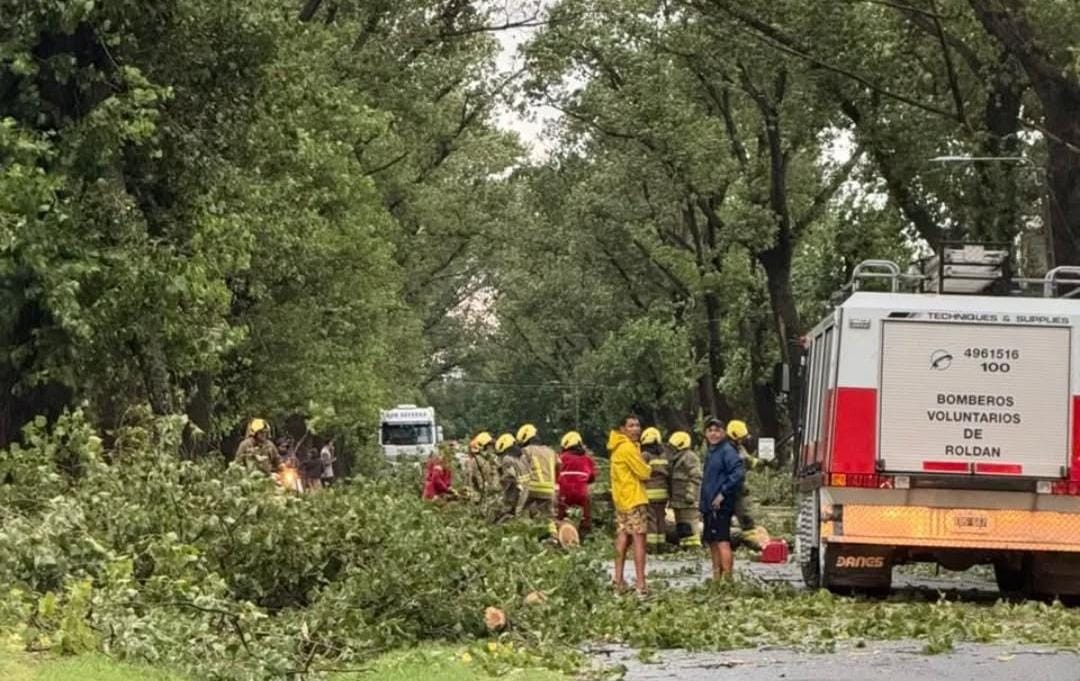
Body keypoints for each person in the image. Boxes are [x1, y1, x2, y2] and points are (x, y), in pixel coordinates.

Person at [608, 413, 652, 596]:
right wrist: (648, 464)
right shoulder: (627, 448)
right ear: (622, 429)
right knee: (639, 540)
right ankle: (641, 583)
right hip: (634, 499)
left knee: (622, 539)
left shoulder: (616, 447)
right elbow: (644, 473)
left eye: (637, 425)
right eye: (631, 426)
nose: (636, 429)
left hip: (621, 501)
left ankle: (618, 580)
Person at [700, 417, 745, 581]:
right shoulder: (711, 452)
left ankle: (728, 578)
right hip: (709, 504)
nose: (713, 434)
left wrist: (722, 493)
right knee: (712, 541)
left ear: (724, 433)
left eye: (717, 430)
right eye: (710, 430)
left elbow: (737, 473)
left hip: (721, 504)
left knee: (722, 540)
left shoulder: (727, 451)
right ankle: (716, 577)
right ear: (706, 434)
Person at [517, 424, 559, 536]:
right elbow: (559, 465)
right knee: (548, 516)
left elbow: (522, 470)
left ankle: (525, 534)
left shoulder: (526, 451)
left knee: (522, 511)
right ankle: (553, 537)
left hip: (532, 487)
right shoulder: (551, 451)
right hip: (549, 489)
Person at [667, 430, 703, 549]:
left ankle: (694, 548)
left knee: (690, 524)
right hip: (678, 499)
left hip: (688, 500)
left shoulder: (689, 457)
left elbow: (696, 476)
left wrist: (690, 493)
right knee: (682, 526)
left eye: (673, 446)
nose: (671, 449)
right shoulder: (675, 458)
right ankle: (684, 547)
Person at [556, 431, 596, 537]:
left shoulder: (561, 457)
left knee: (559, 516)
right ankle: (585, 533)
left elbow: (555, 475)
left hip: (564, 493)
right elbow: (592, 478)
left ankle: (559, 535)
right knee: (586, 515)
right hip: (581, 494)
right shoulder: (587, 459)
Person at [639, 427, 670, 554]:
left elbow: (640, 472)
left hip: (650, 492)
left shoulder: (645, 455)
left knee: (651, 519)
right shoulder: (664, 455)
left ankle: (652, 548)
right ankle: (662, 545)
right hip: (663, 493)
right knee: (660, 518)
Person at [495, 432, 529, 520]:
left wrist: (499, 485)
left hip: (518, 494)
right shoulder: (521, 458)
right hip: (528, 491)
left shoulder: (507, 459)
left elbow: (509, 477)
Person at [464, 431, 496, 499]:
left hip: (488, 494)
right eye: (489, 446)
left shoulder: (488, 460)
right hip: (480, 496)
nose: (491, 449)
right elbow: (475, 479)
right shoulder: (475, 461)